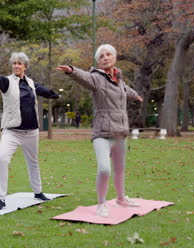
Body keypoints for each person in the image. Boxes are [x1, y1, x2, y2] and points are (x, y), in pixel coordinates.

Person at [56, 44, 143, 217]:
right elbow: (84, 77)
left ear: (114, 58)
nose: (105, 57)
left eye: (108, 54)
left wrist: (136, 95)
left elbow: (125, 90)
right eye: (101, 56)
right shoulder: (97, 78)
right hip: (102, 133)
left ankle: (121, 198)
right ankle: (102, 203)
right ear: (98, 61)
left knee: (119, 169)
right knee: (105, 169)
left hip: (120, 132)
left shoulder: (120, 79)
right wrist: (71, 70)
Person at [0, 52, 60, 210]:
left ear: (25, 67)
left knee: (33, 162)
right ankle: (1, 198)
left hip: (31, 131)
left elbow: (42, 90)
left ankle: (38, 192)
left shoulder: (30, 83)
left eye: (19, 63)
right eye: (14, 63)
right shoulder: (8, 82)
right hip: (12, 131)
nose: (16, 66)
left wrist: (54, 94)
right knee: (2, 159)